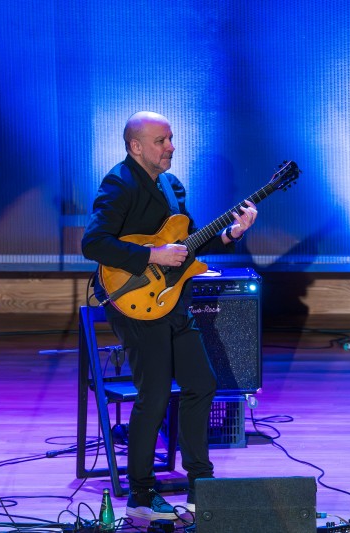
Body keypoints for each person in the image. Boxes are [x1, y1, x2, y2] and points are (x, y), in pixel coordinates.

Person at [82, 111, 258, 520]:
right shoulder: (118, 184)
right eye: (161, 141)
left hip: (173, 300)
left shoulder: (172, 185)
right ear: (135, 146)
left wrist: (232, 233)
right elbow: (94, 243)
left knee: (202, 383)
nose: (170, 147)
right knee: (155, 394)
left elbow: (189, 244)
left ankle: (201, 485)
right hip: (134, 303)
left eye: (171, 139)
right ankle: (141, 496)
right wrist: (152, 255)